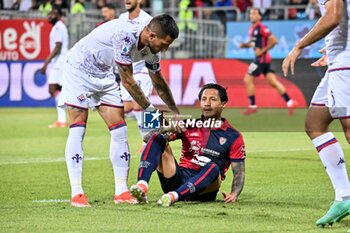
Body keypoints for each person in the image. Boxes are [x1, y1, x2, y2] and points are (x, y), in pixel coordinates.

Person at [58, 14, 180, 207]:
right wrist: (153, 113)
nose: (165, 49)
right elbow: (128, 82)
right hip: (78, 70)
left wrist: (175, 112)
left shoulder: (151, 49)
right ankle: (77, 193)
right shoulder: (125, 35)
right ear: (152, 35)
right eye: (164, 44)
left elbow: (158, 81)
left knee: (120, 130)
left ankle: (121, 191)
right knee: (78, 128)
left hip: (104, 75)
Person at [282, 0, 350, 227]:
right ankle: (344, 196)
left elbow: (333, 16)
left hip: (346, 63)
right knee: (315, 123)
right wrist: (333, 47)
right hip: (338, 59)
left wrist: (299, 45)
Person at [130, 83, 246, 206]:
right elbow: (148, 139)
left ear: (223, 104)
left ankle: (173, 196)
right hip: (179, 179)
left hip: (205, 189)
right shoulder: (188, 125)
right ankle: (142, 186)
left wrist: (234, 194)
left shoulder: (233, 136)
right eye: (203, 99)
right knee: (158, 138)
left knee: (213, 167)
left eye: (213, 99)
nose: (207, 103)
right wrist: (166, 127)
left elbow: (239, 171)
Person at [240, 8, 297, 116]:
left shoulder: (262, 27)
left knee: (247, 79)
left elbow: (274, 40)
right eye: (250, 13)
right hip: (264, 59)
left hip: (261, 59)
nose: (251, 15)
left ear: (259, 16)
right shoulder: (252, 28)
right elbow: (253, 43)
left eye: (254, 13)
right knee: (272, 81)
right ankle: (290, 102)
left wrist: (262, 50)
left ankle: (252, 106)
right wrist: (245, 45)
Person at [118, 0, 154, 154]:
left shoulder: (147, 20)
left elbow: (150, 44)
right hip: (127, 69)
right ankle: (154, 123)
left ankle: (148, 142)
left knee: (139, 105)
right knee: (126, 108)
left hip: (142, 67)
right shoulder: (121, 18)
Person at [40, 7, 68, 128]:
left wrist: (47, 61)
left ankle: (62, 120)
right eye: (49, 13)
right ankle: (62, 119)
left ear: (59, 15)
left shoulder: (58, 27)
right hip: (59, 62)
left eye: (53, 13)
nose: (50, 15)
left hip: (59, 62)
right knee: (59, 90)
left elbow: (58, 46)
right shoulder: (57, 27)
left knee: (53, 89)